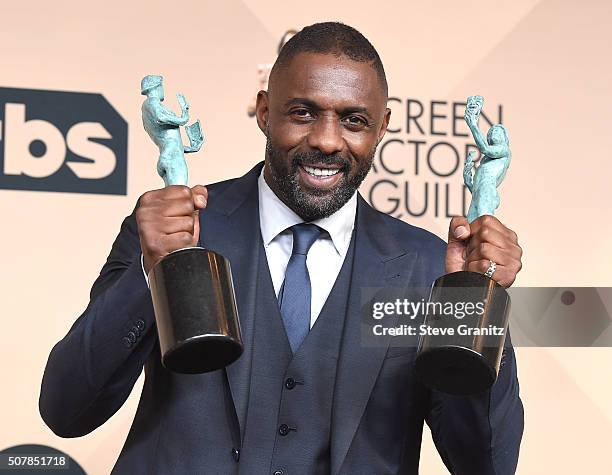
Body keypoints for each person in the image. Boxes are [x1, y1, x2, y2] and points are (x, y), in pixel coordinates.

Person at [39, 22, 524, 474]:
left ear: (382, 127)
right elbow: (67, 409)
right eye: (303, 112)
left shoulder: (424, 266)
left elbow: (486, 463)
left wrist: (474, 303)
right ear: (266, 111)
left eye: (354, 120)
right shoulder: (181, 229)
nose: (328, 140)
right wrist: (151, 272)